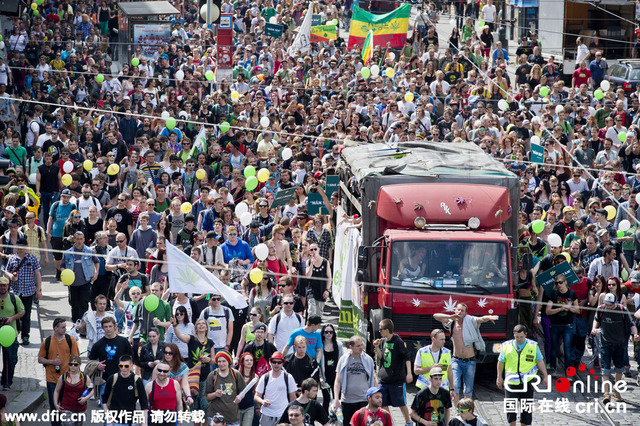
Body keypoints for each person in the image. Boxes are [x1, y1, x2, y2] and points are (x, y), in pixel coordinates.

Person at [434, 304, 498, 404]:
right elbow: (436, 316)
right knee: (455, 387)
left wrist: (489, 317)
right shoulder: (451, 322)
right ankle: (458, 412)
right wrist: (450, 316)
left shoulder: (470, 321)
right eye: (458, 310)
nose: (460, 312)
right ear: (455, 311)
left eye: (462, 311)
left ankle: (467, 410)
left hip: (470, 361)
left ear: (466, 313)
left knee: (468, 390)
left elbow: (481, 319)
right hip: (456, 360)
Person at [496, 324, 548, 426]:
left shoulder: (533, 345)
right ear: (514, 334)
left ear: (526, 334)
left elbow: (539, 361)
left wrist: (545, 376)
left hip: (527, 383)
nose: (519, 339)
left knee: (526, 409)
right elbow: (500, 362)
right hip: (511, 382)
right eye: (517, 337)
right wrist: (499, 377)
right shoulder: (506, 345)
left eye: (521, 337)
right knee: (511, 408)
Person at [594, 293, 639, 403]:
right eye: (607, 304)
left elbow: (631, 324)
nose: (608, 306)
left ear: (615, 303)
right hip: (605, 343)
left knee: (619, 368)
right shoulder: (601, 309)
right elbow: (596, 320)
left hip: (620, 343)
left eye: (611, 305)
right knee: (605, 369)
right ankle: (606, 393)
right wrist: (594, 328)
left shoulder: (622, 310)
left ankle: (616, 389)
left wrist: (635, 334)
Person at [37, 317, 81, 426]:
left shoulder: (71, 340)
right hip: (52, 379)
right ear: (55, 328)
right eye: (62, 327)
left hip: (67, 378)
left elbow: (76, 358)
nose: (65, 329)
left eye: (65, 327)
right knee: (54, 405)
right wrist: (51, 361)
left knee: (68, 404)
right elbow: (40, 359)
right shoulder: (47, 342)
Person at [373, 318, 412, 426]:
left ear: (387, 329)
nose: (379, 332)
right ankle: (388, 423)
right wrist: (377, 347)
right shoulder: (383, 341)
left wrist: (409, 373)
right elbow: (381, 357)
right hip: (384, 378)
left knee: (400, 403)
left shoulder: (398, 341)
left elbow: (407, 357)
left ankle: (408, 422)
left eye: (381, 329)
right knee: (383, 402)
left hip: (396, 379)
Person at [4, 237, 41, 346]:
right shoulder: (13, 259)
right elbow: (7, 270)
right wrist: (10, 275)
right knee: (15, 313)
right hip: (15, 292)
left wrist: (39, 289)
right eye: (19, 247)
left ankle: (25, 336)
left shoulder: (32, 258)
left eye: (23, 247)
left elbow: (38, 274)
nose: (21, 250)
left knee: (26, 314)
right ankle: (17, 331)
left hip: (28, 291)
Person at [88, 317, 133, 402]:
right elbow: (89, 362)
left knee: (121, 407)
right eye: (106, 327)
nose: (108, 329)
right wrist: (97, 365)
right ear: (102, 328)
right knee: (105, 408)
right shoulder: (98, 344)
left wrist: (129, 375)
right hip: (104, 381)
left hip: (122, 379)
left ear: (115, 326)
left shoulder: (123, 341)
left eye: (110, 326)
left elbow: (130, 359)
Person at [334, 336, 376, 424]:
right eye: (358, 346)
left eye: (361, 345)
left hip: (363, 399)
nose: (361, 347)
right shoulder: (343, 359)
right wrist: (336, 399)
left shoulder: (368, 360)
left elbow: (373, 378)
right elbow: (337, 381)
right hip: (347, 400)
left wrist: (375, 396)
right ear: (351, 347)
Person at [63, 231, 99, 323]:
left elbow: (96, 261)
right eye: (77, 239)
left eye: (81, 239)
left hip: (85, 282)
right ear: (74, 239)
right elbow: (62, 266)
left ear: (83, 239)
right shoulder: (68, 253)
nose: (79, 241)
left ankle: (84, 323)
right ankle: (75, 323)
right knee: (74, 304)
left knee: (84, 304)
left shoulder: (89, 251)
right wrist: (65, 274)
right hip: (72, 284)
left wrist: (96, 273)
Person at [101, 354, 149, 424]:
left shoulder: (136, 380)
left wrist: (144, 422)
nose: (123, 368)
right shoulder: (112, 379)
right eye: (121, 366)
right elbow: (104, 398)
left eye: (126, 366)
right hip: (114, 420)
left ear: (131, 366)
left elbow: (143, 401)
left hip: (131, 420)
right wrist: (107, 414)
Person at [254, 351, 298, 426]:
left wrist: (294, 413)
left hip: (283, 414)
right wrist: (262, 402)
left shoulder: (288, 377)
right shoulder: (265, 377)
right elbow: (256, 396)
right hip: (266, 414)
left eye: (279, 362)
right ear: (270, 362)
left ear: (282, 363)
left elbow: (293, 398)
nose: (276, 364)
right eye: (274, 362)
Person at [204, 350, 245, 425]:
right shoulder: (212, 375)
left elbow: (243, 391)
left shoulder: (236, 374)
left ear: (228, 362)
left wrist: (240, 397)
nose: (221, 364)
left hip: (233, 417)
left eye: (224, 361)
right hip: (216, 418)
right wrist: (215, 394)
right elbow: (207, 396)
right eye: (219, 361)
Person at [52, 354, 93, 426]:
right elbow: (56, 391)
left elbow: (92, 389)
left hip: (81, 408)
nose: (73, 366)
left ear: (79, 365)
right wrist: (56, 404)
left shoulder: (84, 377)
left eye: (75, 364)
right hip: (66, 408)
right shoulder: (63, 377)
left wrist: (85, 398)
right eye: (70, 364)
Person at [0, 277, 24, 391]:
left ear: (8, 286)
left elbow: (22, 311)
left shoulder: (14, 298)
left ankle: (7, 381)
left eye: (4, 285)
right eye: (0, 285)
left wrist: (12, 318)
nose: (2, 287)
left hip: (10, 333)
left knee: (10, 358)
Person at [144, 361, 183, 426]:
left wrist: (180, 421)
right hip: (154, 419)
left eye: (165, 371)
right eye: (160, 370)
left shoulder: (175, 384)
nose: (162, 373)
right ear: (156, 371)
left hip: (170, 418)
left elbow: (179, 404)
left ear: (169, 372)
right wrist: (144, 423)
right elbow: (144, 407)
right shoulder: (149, 386)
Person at [414, 329, 453, 393]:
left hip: (442, 388)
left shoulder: (447, 352)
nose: (444, 341)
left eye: (444, 339)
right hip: (424, 387)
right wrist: (431, 368)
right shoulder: (422, 352)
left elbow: (450, 372)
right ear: (433, 339)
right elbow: (416, 371)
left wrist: (452, 389)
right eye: (441, 339)